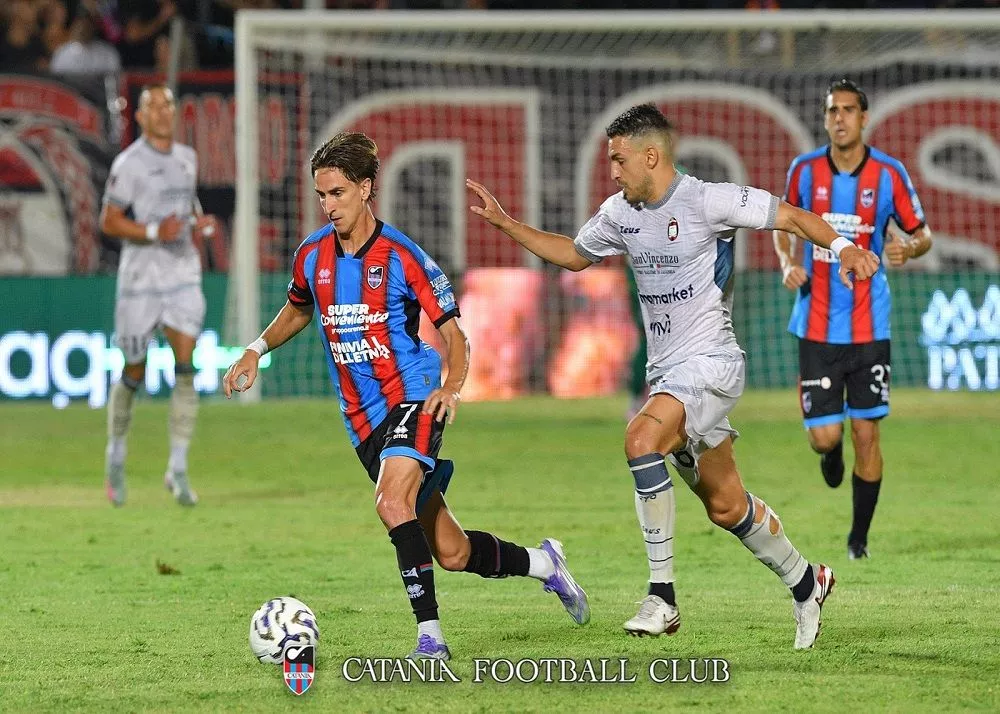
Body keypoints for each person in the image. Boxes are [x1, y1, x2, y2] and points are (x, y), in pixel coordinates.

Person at [468, 103, 880, 649]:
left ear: (651, 157)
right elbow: (572, 254)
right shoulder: (619, 213)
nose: (612, 171)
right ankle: (808, 582)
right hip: (668, 374)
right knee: (726, 506)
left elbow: (793, 217)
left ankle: (662, 597)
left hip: (712, 364)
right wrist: (507, 224)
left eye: (619, 160)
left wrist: (846, 249)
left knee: (641, 440)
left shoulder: (709, 200)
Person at [222, 131, 589, 661]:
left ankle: (430, 639)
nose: (328, 206)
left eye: (338, 193)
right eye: (321, 195)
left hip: (415, 397)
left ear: (365, 188)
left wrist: (451, 388)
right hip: (363, 421)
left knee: (391, 502)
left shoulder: (401, 256)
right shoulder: (312, 255)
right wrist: (256, 349)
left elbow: (455, 335)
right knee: (453, 552)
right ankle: (543, 563)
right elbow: (300, 308)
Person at [773, 79, 932, 560]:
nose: (839, 118)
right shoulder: (804, 171)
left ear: (864, 118)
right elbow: (782, 224)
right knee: (825, 438)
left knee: (867, 433)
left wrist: (909, 249)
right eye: (832, 110)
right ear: (825, 119)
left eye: (847, 110)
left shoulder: (889, 174)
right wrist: (787, 262)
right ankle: (830, 449)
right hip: (816, 324)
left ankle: (858, 540)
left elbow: (922, 233)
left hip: (869, 326)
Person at [100, 84, 219, 507]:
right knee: (135, 372)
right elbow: (109, 221)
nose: (164, 112)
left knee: (186, 367)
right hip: (141, 278)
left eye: (168, 105)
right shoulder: (129, 164)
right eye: (154, 106)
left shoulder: (188, 158)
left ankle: (178, 468)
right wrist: (153, 231)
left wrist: (199, 222)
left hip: (182, 272)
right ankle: (116, 456)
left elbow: (187, 203)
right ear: (141, 117)